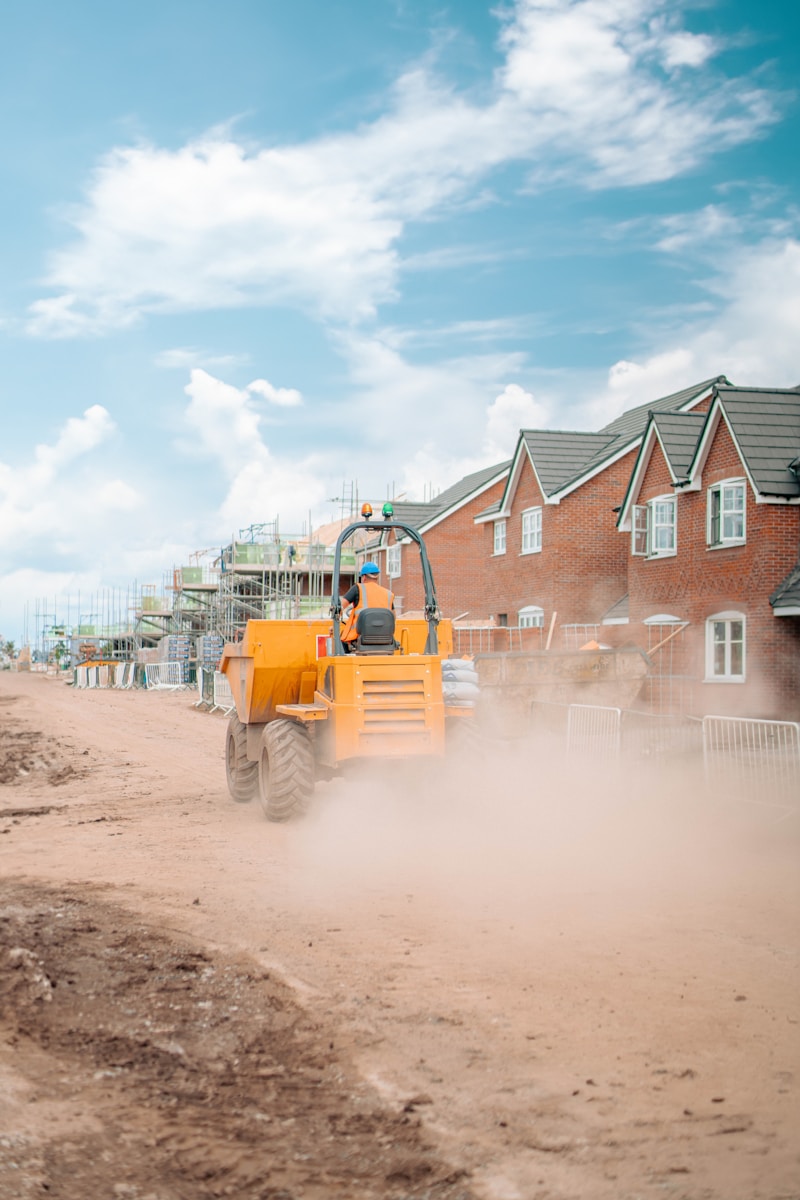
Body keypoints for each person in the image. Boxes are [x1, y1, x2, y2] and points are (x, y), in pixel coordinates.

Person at [340, 562, 395, 648]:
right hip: (385, 639)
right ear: (377, 577)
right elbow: (393, 617)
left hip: (360, 639)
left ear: (364, 577)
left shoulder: (357, 589)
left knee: (342, 639)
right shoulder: (388, 594)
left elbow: (339, 607)